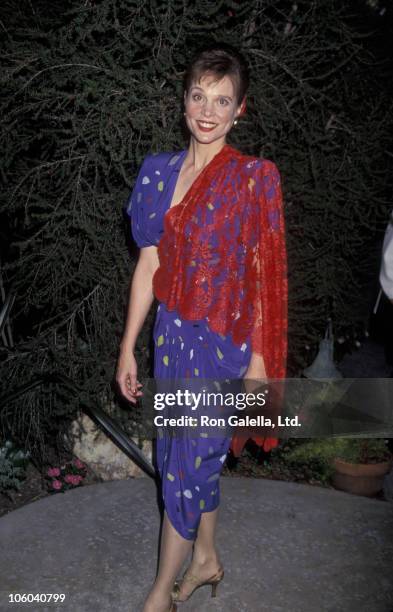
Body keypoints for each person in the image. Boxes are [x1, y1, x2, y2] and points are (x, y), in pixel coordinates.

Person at [116, 44, 288, 612]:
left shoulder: (252, 180)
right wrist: (128, 349)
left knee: (185, 470)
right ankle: (207, 558)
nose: (207, 111)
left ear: (242, 108)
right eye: (198, 96)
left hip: (223, 350)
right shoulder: (157, 174)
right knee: (186, 462)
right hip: (170, 342)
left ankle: (159, 593)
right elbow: (148, 266)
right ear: (184, 100)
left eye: (222, 100)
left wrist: (260, 364)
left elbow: (264, 280)